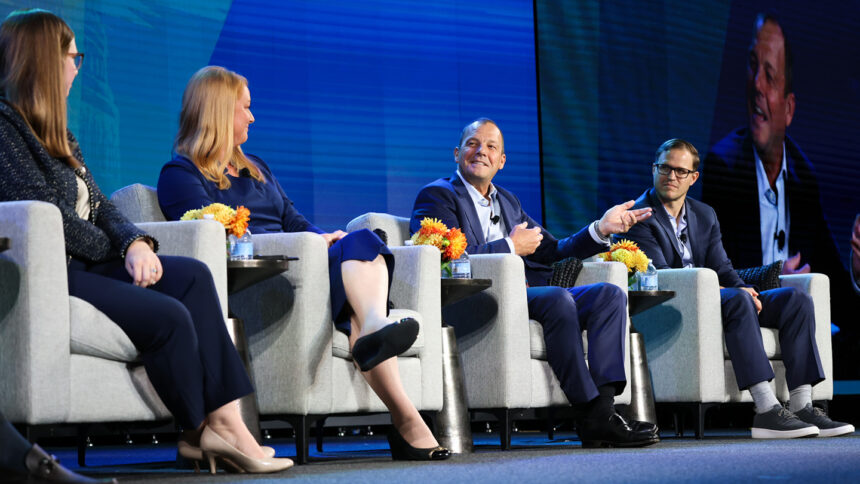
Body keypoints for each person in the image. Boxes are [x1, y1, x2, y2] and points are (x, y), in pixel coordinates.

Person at [0, 9, 292, 474]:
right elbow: (45, 216)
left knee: (194, 275)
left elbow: (102, 207)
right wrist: (116, 249)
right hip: (58, 271)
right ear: (43, 60)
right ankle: (199, 431)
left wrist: (136, 244)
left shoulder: (62, 138)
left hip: (91, 261)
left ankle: (229, 424)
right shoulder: (5, 128)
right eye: (74, 56)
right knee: (169, 316)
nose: (78, 66)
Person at [157, 66, 449, 461]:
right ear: (220, 111)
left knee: (362, 239)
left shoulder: (256, 167)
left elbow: (295, 220)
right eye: (246, 108)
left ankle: (377, 335)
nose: (252, 117)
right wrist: (305, 244)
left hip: (306, 267)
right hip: (262, 275)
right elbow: (208, 238)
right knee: (358, 286)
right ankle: (407, 419)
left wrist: (320, 237)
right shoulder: (181, 174)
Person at [410, 118, 659, 448]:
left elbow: (554, 250)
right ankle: (591, 413)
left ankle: (604, 408)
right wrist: (510, 247)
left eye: (491, 146)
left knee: (608, 295)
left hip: (524, 295)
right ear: (457, 153)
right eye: (472, 144)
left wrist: (600, 228)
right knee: (558, 299)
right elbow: (446, 259)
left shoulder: (509, 202)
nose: (480, 151)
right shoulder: (437, 195)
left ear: (502, 161)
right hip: (481, 298)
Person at [625, 138, 854, 438]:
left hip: (722, 300)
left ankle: (802, 405)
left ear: (694, 178)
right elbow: (663, 276)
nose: (671, 177)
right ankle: (766, 410)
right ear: (653, 169)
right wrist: (727, 292)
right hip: (681, 307)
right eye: (664, 168)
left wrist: (743, 289)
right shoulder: (640, 216)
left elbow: (723, 269)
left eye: (681, 171)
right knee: (735, 299)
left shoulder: (704, 215)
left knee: (794, 300)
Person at [701, 13, 859, 355]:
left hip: (793, 321)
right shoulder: (723, 166)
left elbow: (835, 284)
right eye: (752, 66)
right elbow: (714, 274)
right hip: (746, 315)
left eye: (769, 76)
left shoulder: (804, 177)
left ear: (788, 108)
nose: (756, 84)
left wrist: (858, 271)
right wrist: (773, 277)